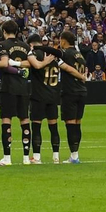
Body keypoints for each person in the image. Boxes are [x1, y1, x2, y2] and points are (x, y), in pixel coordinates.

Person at [0, 20, 31, 166]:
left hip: (8, 86)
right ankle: (26, 157)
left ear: (4, 32)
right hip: (24, 87)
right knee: (24, 120)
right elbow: (31, 63)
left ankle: (7, 158)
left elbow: (4, 63)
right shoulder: (25, 46)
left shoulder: (2, 44)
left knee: (6, 119)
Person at [26, 33, 63, 164]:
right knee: (53, 127)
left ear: (30, 44)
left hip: (38, 95)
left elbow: (35, 65)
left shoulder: (34, 53)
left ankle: (36, 157)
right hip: (53, 94)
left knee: (36, 127)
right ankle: (56, 156)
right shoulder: (53, 55)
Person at [56, 32, 89, 164]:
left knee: (70, 123)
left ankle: (74, 156)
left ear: (64, 41)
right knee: (77, 123)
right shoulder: (80, 55)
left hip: (70, 91)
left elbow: (68, 69)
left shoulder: (66, 54)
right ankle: (75, 154)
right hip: (82, 91)